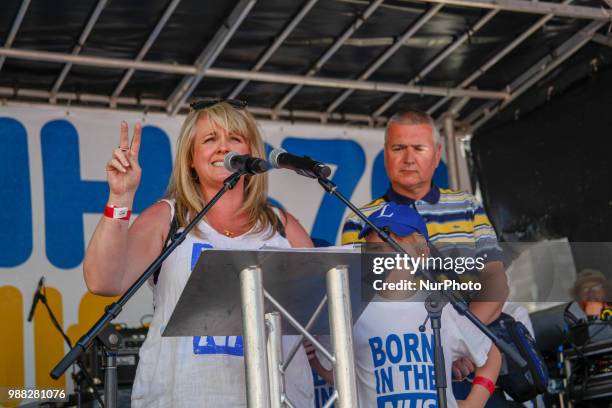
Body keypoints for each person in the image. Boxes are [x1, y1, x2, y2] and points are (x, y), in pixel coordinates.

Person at [83, 99, 314, 407]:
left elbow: (322, 323)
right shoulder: (167, 217)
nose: (223, 147)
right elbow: (103, 281)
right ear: (191, 159)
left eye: (234, 138)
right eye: (209, 139)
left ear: (252, 153)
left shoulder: (283, 227)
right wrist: (120, 196)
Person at [341, 109, 509, 381]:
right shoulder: (360, 220)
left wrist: (459, 342)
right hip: (402, 363)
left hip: (473, 363)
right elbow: (361, 300)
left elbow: (495, 280)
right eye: (398, 148)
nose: (408, 158)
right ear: (386, 154)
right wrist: (436, 349)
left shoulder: (467, 206)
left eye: (418, 148)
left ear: (437, 153)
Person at [309, 202, 502, 407]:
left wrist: (475, 402)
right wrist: (314, 361)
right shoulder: (354, 309)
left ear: (422, 255)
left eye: (394, 248)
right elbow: (348, 376)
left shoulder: (440, 307)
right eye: (375, 250)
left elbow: (491, 354)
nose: (384, 257)